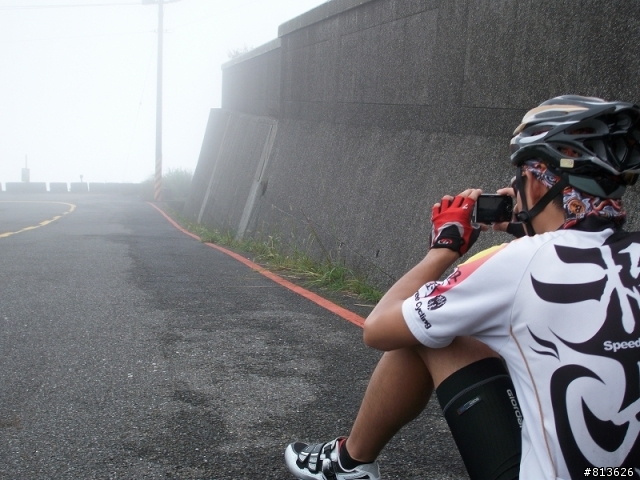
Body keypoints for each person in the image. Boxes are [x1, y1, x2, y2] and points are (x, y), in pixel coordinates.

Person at [284, 95, 640, 480]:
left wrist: (444, 248)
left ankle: (348, 463)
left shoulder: (517, 262)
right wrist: (530, 228)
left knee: (433, 329)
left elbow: (378, 328)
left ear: (536, 185)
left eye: (519, 176)